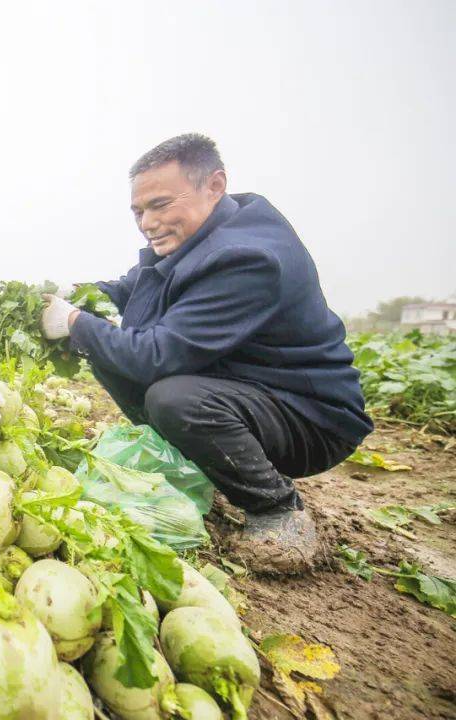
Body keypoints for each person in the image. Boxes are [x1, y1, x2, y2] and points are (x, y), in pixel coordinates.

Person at [41, 134, 372, 573]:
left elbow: (154, 356)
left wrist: (73, 323)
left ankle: (278, 509)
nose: (147, 222)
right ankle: (197, 467)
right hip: (249, 389)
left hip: (310, 416)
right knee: (112, 356)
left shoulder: (247, 258)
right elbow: (131, 288)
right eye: (138, 211)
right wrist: (78, 295)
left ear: (214, 186)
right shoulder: (197, 236)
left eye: (160, 205)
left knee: (172, 396)